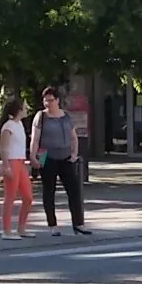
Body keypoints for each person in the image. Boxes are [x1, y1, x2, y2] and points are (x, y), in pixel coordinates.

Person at [31, 87, 89, 236]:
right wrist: (33, 157)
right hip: (45, 154)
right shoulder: (41, 116)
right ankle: (52, 225)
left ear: (57, 100)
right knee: (49, 190)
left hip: (65, 156)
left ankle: (78, 223)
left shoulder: (66, 116)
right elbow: (35, 139)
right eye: (45, 100)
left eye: (50, 100)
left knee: (74, 190)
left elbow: (73, 136)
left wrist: (74, 153)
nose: (48, 103)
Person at [0, 97, 35, 240]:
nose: (26, 110)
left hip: (20, 162)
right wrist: (5, 165)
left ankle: (21, 228)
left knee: (28, 197)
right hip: (12, 161)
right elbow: (3, 147)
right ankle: (6, 230)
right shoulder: (8, 126)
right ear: (18, 110)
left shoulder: (19, 124)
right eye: (25, 107)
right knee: (10, 196)